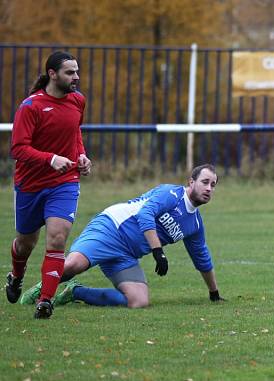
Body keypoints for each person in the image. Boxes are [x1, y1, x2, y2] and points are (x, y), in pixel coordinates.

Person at [18, 164, 224, 309]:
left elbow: (202, 258)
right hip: (110, 228)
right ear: (191, 182)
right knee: (74, 265)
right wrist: (158, 251)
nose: (208, 188)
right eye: (205, 182)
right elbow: (145, 215)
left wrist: (213, 293)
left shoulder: (194, 224)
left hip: (126, 254)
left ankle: (75, 292)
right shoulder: (171, 194)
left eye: (213, 185)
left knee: (139, 301)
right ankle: (41, 291)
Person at [6, 51, 91, 319]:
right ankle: (16, 275)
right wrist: (50, 159)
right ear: (52, 74)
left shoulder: (78, 101)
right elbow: (18, 149)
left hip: (64, 182)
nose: (76, 77)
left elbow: (75, 132)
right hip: (31, 184)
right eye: (69, 72)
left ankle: (45, 301)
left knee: (57, 239)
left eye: (77, 71)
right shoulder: (30, 107)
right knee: (25, 243)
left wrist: (81, 155)